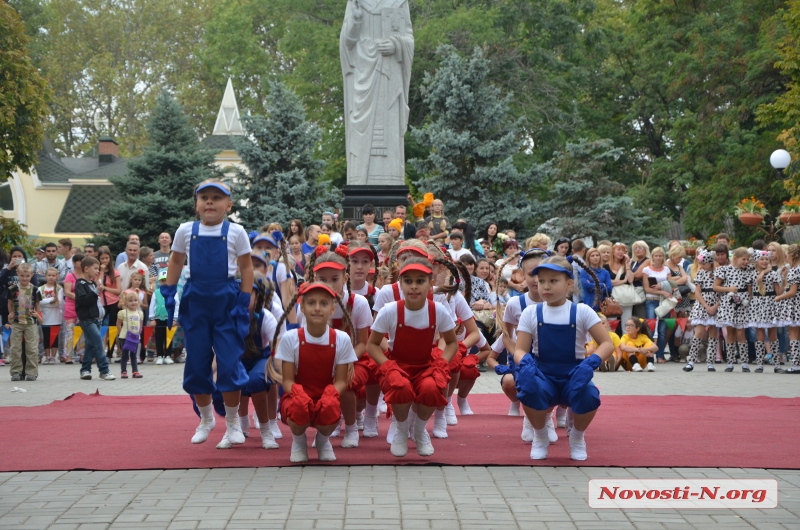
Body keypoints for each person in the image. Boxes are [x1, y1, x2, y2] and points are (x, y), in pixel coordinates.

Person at [161, 179, 253, 447]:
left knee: (229, 361)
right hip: (196, 298)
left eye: (217, 197)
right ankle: (205, 419)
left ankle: (234, 423)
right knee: (197, 363)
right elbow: (176, 260)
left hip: (226, 298)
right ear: (197, 204)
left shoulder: (236, 231)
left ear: (228, 204)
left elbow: (246, 267)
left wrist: (244, 297)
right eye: (204, 198)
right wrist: (169, 289)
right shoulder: (185, 230)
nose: (210, 202)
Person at [514, 255, 612, 461]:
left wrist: (591, 362)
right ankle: (540, 436)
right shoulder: (531, 312)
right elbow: (519, 349)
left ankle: (577, 437)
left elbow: (607, 344)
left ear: (569, 283)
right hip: (543, 374)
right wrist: (525, 362)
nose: (545, 287)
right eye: (541, 281)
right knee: (528, 389)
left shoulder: (582, 311)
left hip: (574, 374)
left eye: (553, 281)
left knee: (589, 396)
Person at [368, 257, 458, 457]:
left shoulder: (437, 310)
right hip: (397, 365)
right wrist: (388, 367)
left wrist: (442, 363)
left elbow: (452, 342)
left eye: (420, 281)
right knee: (401, 387)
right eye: (408, 281)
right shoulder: (390, 311)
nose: (414, 287)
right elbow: (372, 344)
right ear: (400, 284)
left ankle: (419, 430)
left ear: (430, 283)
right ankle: (401, 430)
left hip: (425, 367)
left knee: (432, 388)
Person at [269, 282, 357, 462]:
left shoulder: (341, 338)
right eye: (311, 303)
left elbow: (341, 380)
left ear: (333, 309)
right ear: (302, 307)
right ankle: (299, 441)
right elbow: (287, 380)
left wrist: (332, 393)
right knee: (299, 409)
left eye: (323, 303)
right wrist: (297, 393)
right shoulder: (290, 338)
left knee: (331, 408)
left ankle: (323, 440)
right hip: (297, 397)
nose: (317, 308)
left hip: (325, 395)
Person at [305, 250, 372, 448]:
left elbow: (362, 342)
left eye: (334, 279)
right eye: (323, 279)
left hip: (354, 359)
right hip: (321, 359)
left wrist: (345, 362)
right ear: (315, 278)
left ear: (345, 278)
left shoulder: (357, 303)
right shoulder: (311, 303)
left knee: (345, 382)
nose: (329, 284)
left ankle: (351, 428)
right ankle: (328, 422)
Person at [234, 273, 281, 450]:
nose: (242, 298)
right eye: (237, 293)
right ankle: (236, 426)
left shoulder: (266, 317)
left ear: (257, 296)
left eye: (247, 293)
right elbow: (220, 351)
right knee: (229, 378)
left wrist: (279, 373)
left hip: (263, 358)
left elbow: (276, 349)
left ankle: (266, 431)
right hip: (239, 358)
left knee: (255, 381)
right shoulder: (227, 318)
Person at [713, 247, 756, 373]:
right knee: (730, 333)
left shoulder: (748, 270)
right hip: (729, 303)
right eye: (743, 259)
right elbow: (716, 287)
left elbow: (750, 288)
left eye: (747, 259)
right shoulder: (724, 270)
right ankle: (730, 362)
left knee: (741, 333)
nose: (746, 262)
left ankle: (744, 362)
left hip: (742, 303)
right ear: (735, 258)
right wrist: (729, 289)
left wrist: (750, 299)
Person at [76, 257, 115, 381]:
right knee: (98, 342)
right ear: (86, 269)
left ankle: (85, 370)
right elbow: (84, 301)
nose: (98, 271)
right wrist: (96, 291)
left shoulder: (92, 283)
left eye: (98, 269)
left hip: (97, 319)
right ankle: (104, 370)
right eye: (95, 268)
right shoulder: (80, 284)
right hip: (87, 319)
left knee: (91, 345)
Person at [6, 262, 43, 381]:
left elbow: (37, 304)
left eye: (27, 276)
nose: (25, 278)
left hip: (30, 322)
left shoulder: (35, 290)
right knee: (15, 348)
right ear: (18, 274)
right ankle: (16, 372)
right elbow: (10, 302)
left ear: (31, 275)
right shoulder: (13, 289)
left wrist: (37, 314)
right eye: (22, 276)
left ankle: (31, 371)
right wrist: (10, 314)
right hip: (16, 322)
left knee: (31, 348)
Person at [685, 250, 719, 372]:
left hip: (716, 304)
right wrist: (706, 306)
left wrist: (715, 306)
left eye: (703, 263)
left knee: (713, 334)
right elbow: (697, 292)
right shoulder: (701, 273)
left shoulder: (719, 273)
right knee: (698, 333)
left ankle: (710, 362)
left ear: (710, 263)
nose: (702, 266)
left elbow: (722, 292)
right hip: (702, 304)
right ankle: (691, 361)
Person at [749, 250, 781, 373]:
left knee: (773, 335)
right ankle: (759, 364)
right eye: (761, 259)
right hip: (757, 304)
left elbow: (778, 292)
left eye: (766, 259)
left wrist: (766, 272)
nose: (764, 261)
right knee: (760, 335)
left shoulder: (773, 274)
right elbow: (750, 292)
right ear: (756, 261)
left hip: (770, 303)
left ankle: (776, 363)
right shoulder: (752, 274)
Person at [643, 247, 672, 362]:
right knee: (651, 327)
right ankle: (649, 355)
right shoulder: (646, 270)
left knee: (662, 329)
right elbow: (647, 288)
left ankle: (660, 355)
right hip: (651, 300)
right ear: (652, 257)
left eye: (660, 256)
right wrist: (662, 291)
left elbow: (671, 284)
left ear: (663, 257)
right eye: (656, 255)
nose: (658, 258)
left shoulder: (666, 269)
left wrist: (661, 287)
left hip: (664, 301)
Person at [775, 244, 800, 373]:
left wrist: (779, 298)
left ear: (792, 255)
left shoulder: (795, 270)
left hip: (795, 305)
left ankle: (795, 365)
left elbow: (793, 291)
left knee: (793, 334)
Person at [149, 269, 179, 366]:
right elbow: (152, 305)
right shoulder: (156, 292)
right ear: (160, 281)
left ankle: (168, 355)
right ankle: (159, 356)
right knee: (159, 338)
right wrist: (152, 318)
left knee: (169, 338)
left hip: (169, 318)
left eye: (166, 280)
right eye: (163, 280)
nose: (165, 282)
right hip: (158, 318)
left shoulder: (174, 292)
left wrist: (175, 318)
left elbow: (177, 305)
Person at [97, 246, 122, 360]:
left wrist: (106, 288)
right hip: (101, 303)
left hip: (113, 303)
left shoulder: (115, 272)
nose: (104, 261)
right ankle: (99, 352)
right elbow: (99, 287)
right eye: (102, 258)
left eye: (106, 258)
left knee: (112, 328)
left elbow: (118, 290)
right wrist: (101, 271)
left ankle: (110, 353)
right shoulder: (97, 272)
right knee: (100, 327)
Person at [38, 268, 63, 365]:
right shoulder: (41, 289)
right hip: (45, 316)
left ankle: (53, 356)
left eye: (53, 275)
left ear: (57, 276)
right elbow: (40, 301)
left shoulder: (59, 288)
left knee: (55, 337)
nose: (51, 277)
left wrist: (48, 302)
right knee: (46, 337)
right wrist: (51, 300)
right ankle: (47, 356)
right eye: (49, 275)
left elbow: (58, 302)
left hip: (56, 316)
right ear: (45, 276)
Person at [117, 290, 144, 379]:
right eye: (130, 301)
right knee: (125, 355)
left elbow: (140, 325)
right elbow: (118, 324)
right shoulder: (123, 313)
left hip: (135, 337)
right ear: (126, 302)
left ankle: (135, 371)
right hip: (125, 337)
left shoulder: (140, 313)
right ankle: (123, 371)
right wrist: (121, 332)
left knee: (134, 354)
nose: (133, 302)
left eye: (135, 300)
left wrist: (139, 333)